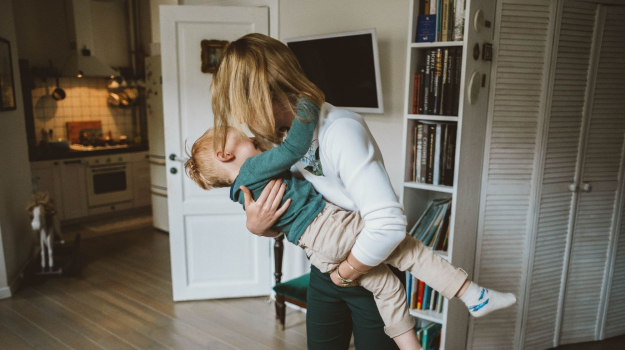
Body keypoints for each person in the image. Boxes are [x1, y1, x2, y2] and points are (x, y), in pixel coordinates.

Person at [208, 33, 515, 350]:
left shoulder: (340, 130)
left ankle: (467, 297)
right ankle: (469, 296)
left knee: (400, 271)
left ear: (258, 96)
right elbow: (290, 209)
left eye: (240, 106)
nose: (243, 120)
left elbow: (388, 226)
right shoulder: (278, 140)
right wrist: (260, 227)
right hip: (324, 268)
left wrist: (346, 272)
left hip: (360, 259)